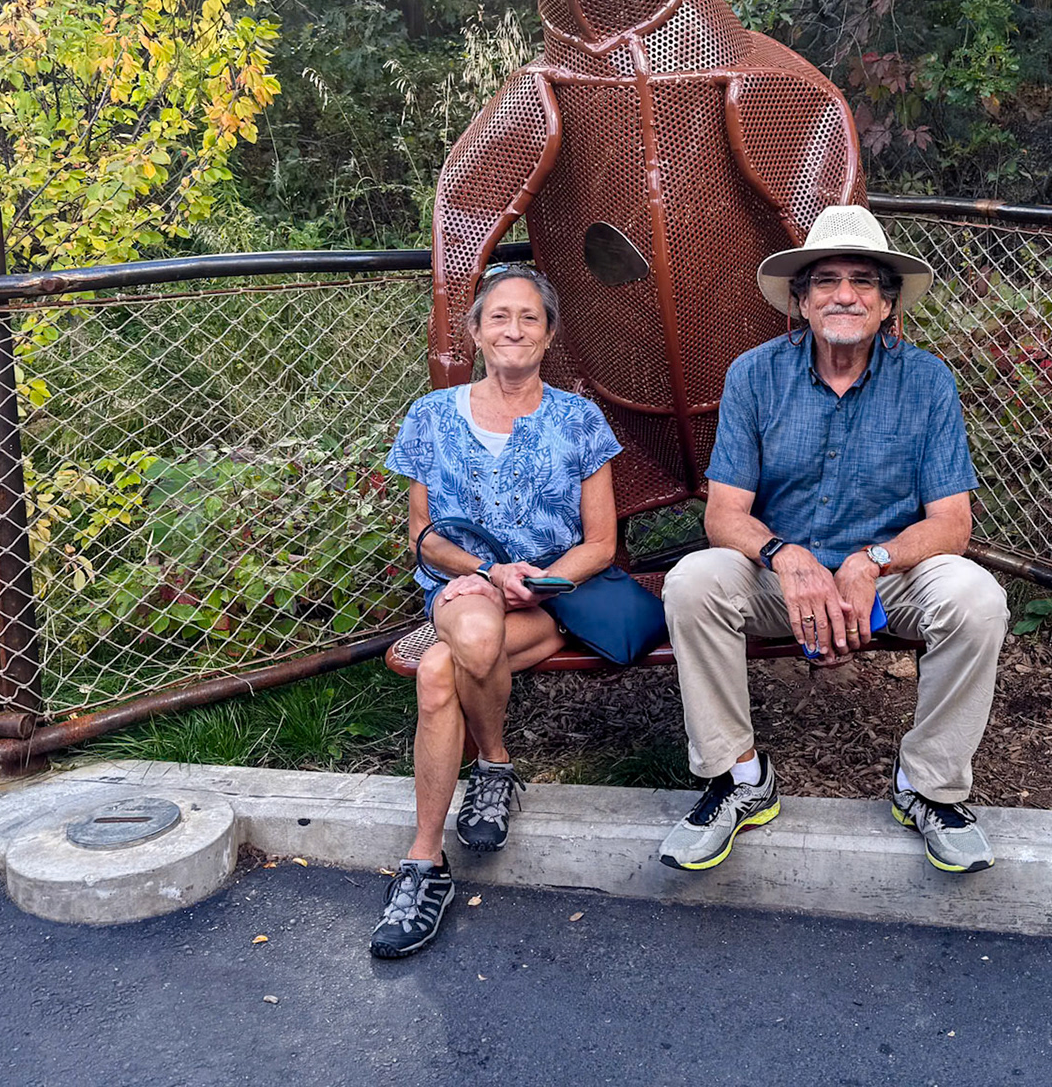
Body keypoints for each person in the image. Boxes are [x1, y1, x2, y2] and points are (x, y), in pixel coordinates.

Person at [657, 205, 1008, 875]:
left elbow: (951, 524)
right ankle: (738, 779)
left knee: (977, 597)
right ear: (800, 300)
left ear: (885, 305)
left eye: (863, 281)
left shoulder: (926, 381)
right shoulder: (754, 375)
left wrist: (870, 562)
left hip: (890, 574)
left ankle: (928, 788)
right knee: (694, 581)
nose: (844, 294)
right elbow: (724, 514)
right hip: (780, 578)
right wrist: (785, 557)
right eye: (825, 280)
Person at [369, 264, 623, 958]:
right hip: (460, 592)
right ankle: (494, 769)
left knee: (438, 674)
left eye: (530, 318)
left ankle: (426, 862)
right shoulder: (431, 416)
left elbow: (601, 544)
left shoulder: (580, 420)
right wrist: (484, 571)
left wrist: (535, 581)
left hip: (551, 601)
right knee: (473, 625)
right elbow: (424, 535)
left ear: (548, 336)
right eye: (499, 316)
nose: (514, 328)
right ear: (477, 332)